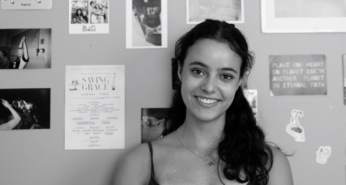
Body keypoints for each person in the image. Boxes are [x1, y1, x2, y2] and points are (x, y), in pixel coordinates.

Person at [113, 19, 293, 185]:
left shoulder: (272, 164)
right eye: (198, 71)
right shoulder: (139, 163)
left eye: (225, 76)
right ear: (180, 71)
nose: (209, 87)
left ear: (239, 82)